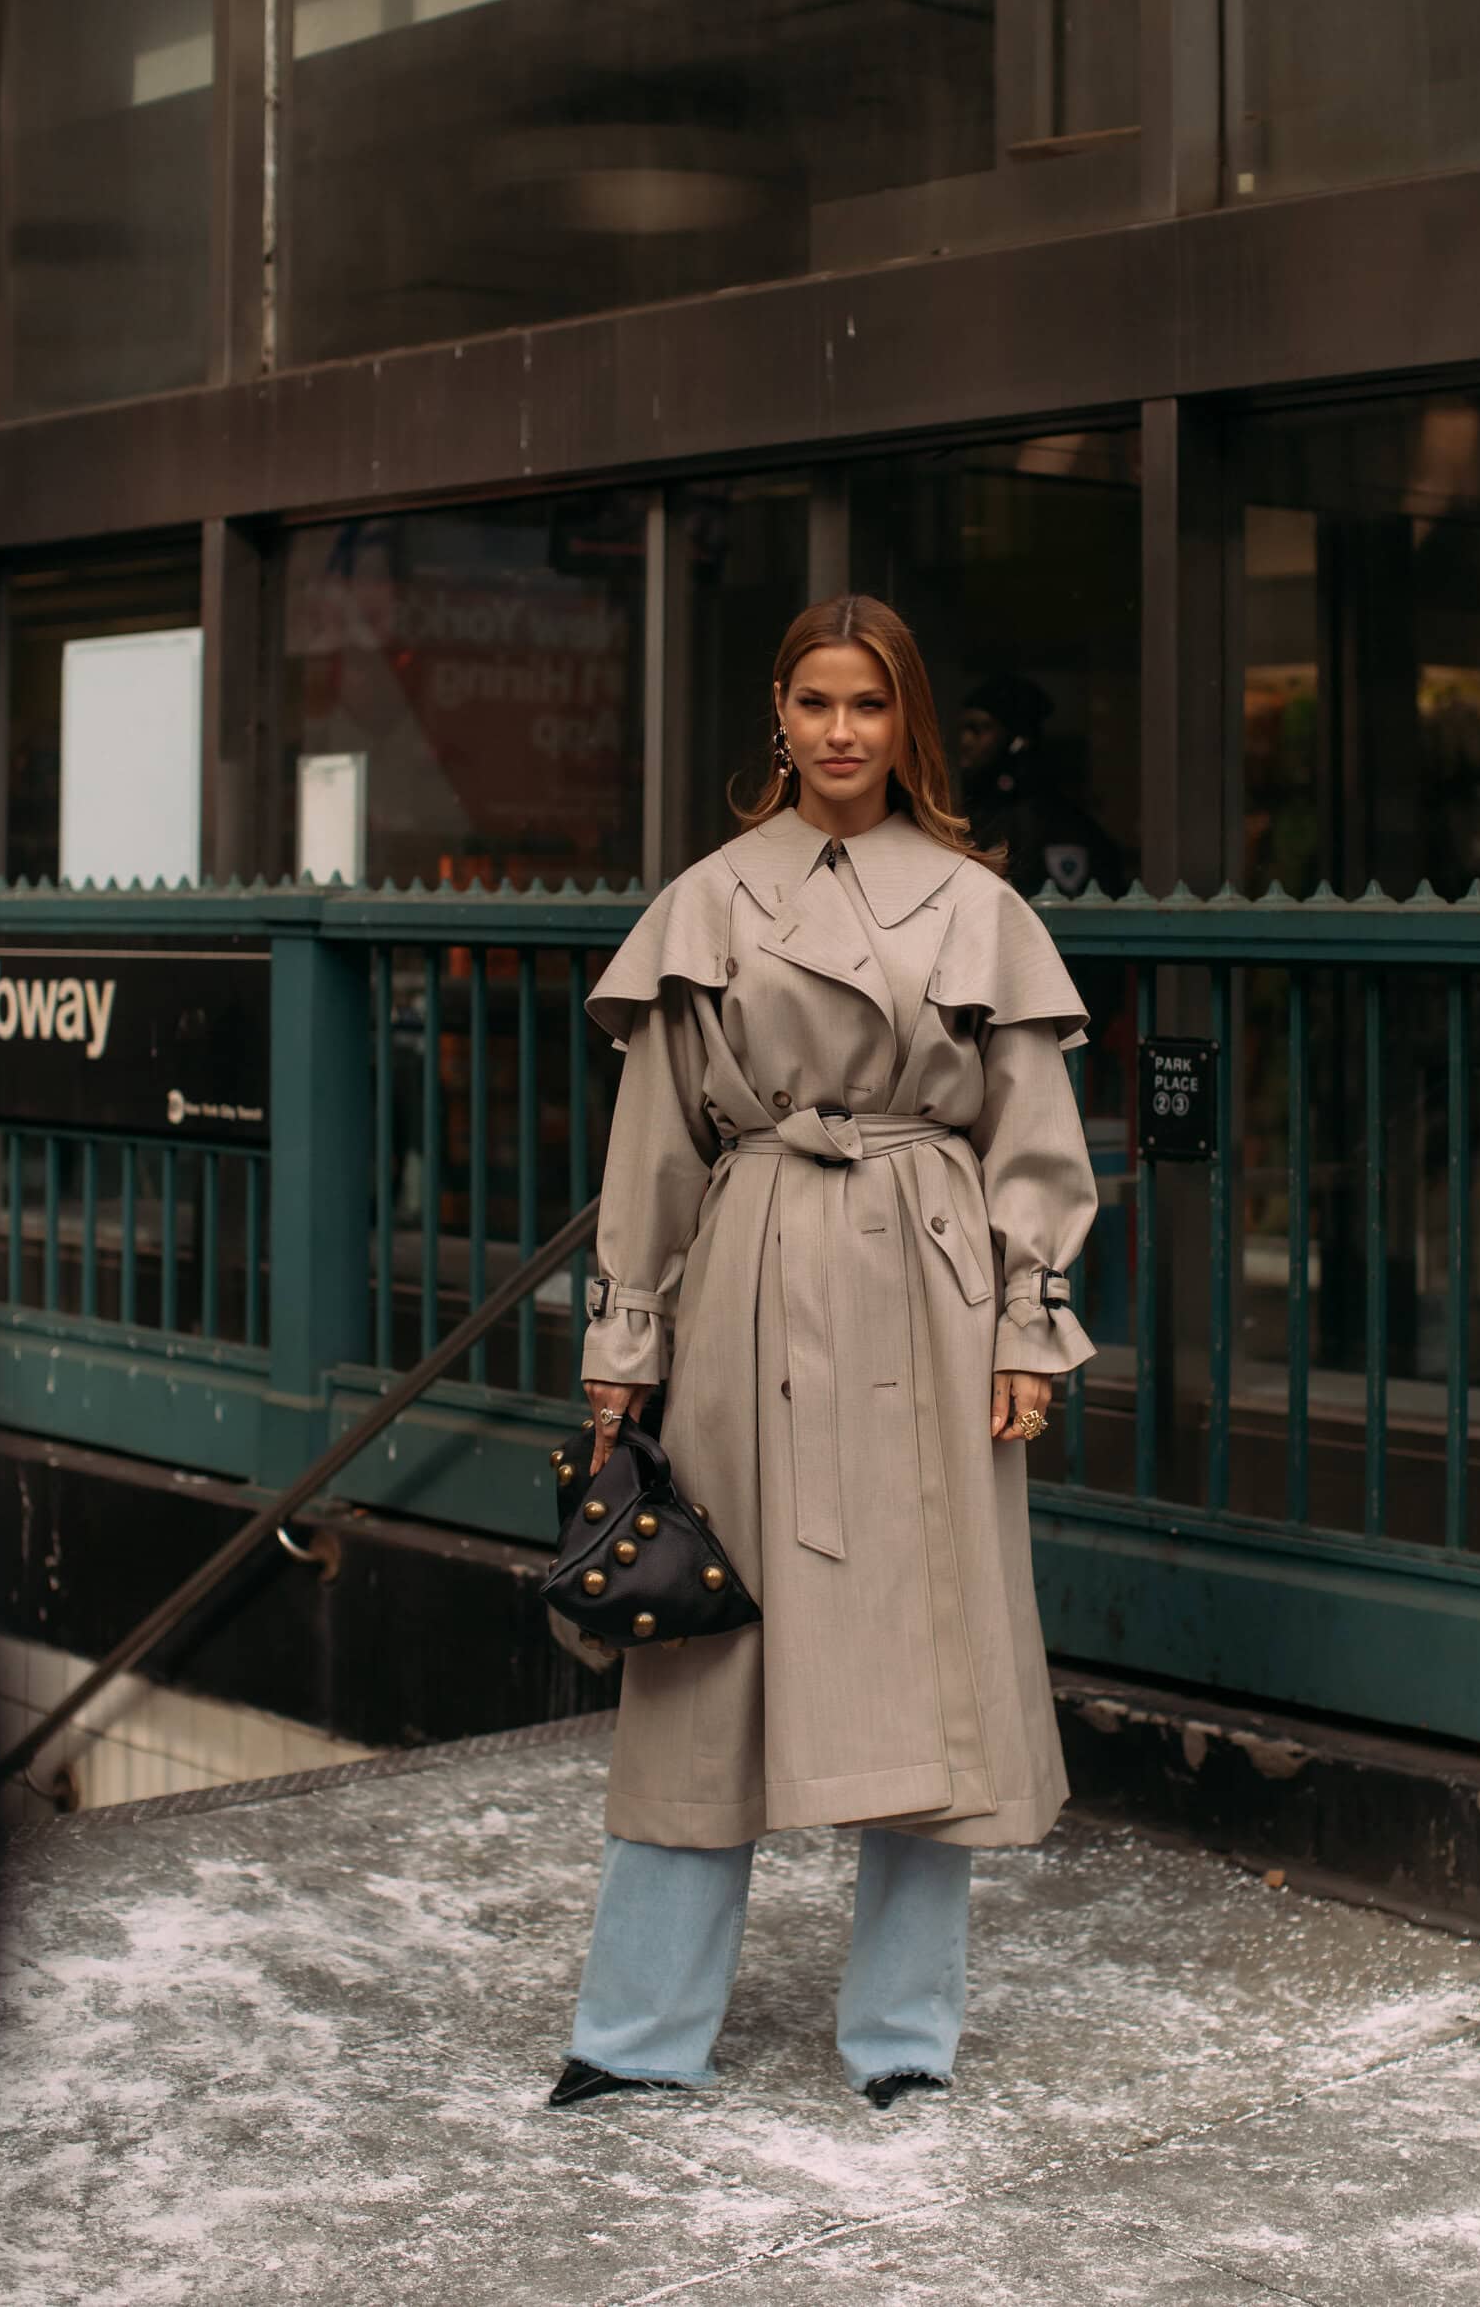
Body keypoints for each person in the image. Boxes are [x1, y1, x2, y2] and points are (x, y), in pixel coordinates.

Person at [548, 594, 1098, 2112]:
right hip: (746, 1277)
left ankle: (902, 2043)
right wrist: (626, 1338)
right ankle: (635, 2034)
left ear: (903, 721)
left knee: (931, 1664)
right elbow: (652, 1138)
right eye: (813, 704)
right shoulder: (711, 897)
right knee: (702, 1649)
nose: (839, 733)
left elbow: (1031, 1141)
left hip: (927, 1287)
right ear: (775, 718)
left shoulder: (977, 904)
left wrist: (1027, 1326)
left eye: (867, 706)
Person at [958, 671, 1128, 903]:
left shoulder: (1054, 821)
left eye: (979, 729)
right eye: (964, 729)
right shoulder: (973, 814)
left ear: (1016, 741)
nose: (965, 741)